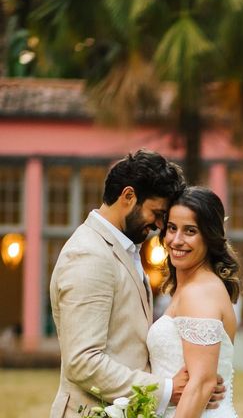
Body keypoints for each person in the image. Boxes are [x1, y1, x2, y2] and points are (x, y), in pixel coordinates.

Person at [49, 150, 224, 418]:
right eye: (157, 213)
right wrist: (165, 389)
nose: (158, 226)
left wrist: (199, 382)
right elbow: (82, 362)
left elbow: (128, 346)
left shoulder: (124, 249)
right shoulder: (89, 255)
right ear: (128, 196)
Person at [148, 186, 242, 417]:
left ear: (209, 236)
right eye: (172, 228)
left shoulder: (200, 292)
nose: (176, 240)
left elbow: (201, 384)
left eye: (190, 231)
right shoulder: (188, 288)